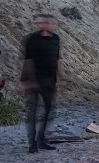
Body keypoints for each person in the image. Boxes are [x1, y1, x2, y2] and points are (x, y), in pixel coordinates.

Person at [20, 14, 66, 153]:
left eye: (49, 22)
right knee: (32, 112)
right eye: (42, 22)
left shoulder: (55, 39)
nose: (46, 25)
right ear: (38, 24)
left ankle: (41, 140)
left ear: (53, 24)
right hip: (34, 80)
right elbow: (27, 60)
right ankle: (31, 143)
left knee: (49, 110)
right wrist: (25, 81)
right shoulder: (31, 39)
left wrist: (63, 78)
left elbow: (58, 60)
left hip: (50, 80)